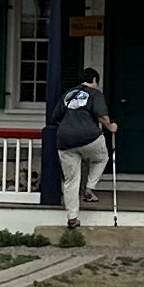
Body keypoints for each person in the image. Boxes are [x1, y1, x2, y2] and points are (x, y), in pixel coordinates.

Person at [47, 76, 110, 226]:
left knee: (71, 180)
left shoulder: (68, 94)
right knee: (101, 158)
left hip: (65, 140)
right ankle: (89, 188)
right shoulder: (95, 94)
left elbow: (55, 117)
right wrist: (111, 126)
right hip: (89, 138)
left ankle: (72, 217)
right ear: (94, 80)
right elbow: (101, 115)